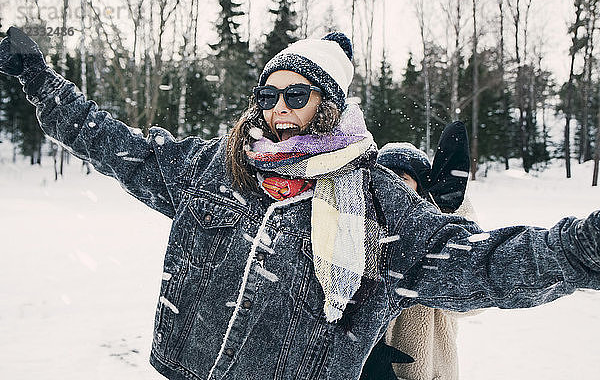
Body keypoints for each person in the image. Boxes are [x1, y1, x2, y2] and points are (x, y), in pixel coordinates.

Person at [1, 27, 600, 380]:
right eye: (268, 93)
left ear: (329, 105)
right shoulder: (213, 171)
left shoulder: (373, 203)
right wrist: (41, 83)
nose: (277, 107)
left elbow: (484, 265)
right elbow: (115, 144)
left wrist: (583, 249)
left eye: (297, 94)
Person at [362, 124, 475, 380]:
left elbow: (470, 304)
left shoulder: (440, 227)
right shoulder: (358, 228)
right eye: (383, 177)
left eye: (401, 179)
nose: (389, 186)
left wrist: (447, 214)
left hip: (426, 372)